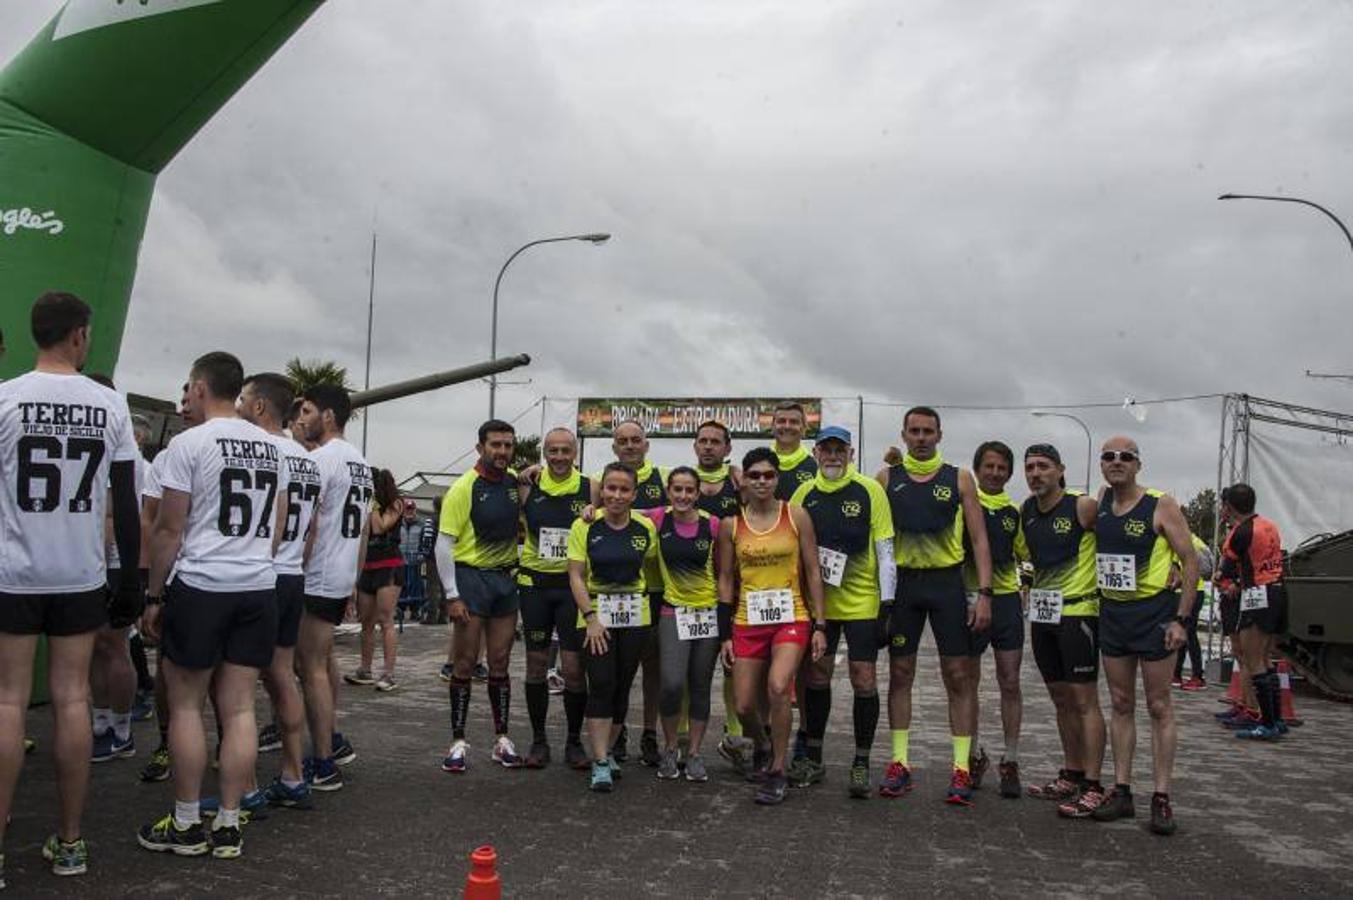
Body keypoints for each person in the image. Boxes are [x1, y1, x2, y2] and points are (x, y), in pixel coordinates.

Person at [0, 293, 142, 884]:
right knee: (71, 700)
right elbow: (127, 502)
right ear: (80, 336)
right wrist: (132, 579)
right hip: (80, 575)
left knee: (8, 701)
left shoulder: (4, 398)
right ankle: (71, 840)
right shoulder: (108, 404)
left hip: (12, 572)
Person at [135, 351, 279, 860]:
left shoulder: (188, 443)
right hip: (258, 583)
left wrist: (153, 595)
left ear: (200, 387)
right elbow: (279, 527)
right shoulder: (273, 446)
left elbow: (168, 528)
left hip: (202, 583)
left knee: (186, 705)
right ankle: (229, 821)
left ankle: (187, 820)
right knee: (239, 707)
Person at [874, 406, 992, 805]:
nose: (921, 437)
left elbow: (979, 540)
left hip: (947, 584)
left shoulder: (958, 478)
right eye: (914, 431)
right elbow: (878, 543)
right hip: (904, 586)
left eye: (928, 431)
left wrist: (985, 595)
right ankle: (899, 762)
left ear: (939, 435)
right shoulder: (887, 479)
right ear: (904, 435)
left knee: (958, 676)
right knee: (900, 673)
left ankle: (960, 768)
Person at [1090, 437, 1198, 836]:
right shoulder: (1101, 500)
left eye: (1126, 457)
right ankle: (1121, 790)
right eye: (1109, 456)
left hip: (1153, 612)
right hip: (1113, 612)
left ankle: (1162, 796)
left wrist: (1181, 620)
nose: (1116, 462)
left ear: (1138, 464)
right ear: (1102, 465)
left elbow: (1190, 560)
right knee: (1120, 702)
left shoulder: (1160, 504)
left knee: (1158, 704)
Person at [787, 426, 893, 797]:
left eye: (839, 450)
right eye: (826, 450)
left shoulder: (870, 490)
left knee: (863, 678)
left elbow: (885, 551)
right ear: (815, 453)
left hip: (862, 601)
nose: (832, 456)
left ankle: (861, 762)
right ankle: (813, 758)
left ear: (850, 453)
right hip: (821, 605)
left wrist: (887, 606)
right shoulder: (803, 493)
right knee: (817, 677)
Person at [719, 447, 827, 805]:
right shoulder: (731, 525)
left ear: (777, 479)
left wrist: (820, 624)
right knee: (746, 705)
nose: (762, 481)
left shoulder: (795, 515)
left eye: (768, 475)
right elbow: (725, 581)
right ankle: (764, 746)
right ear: (744, 480)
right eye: (755, 475)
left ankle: (778, 770)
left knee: (779, 687)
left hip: (791, 616)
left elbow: (813, 570)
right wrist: (724, 634)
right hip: (748, 620)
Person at [237, 372, 318, 809]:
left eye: (243, 399)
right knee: (283, 676)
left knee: (239, 685)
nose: (238, 406)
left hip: (261, 573)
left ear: (261, 406)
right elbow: (313, 527)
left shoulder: (263, 451)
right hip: (292, 574)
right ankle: (293, 773)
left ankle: (246, 783)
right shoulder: (306, 456)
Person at [1018, 444, 1107, 817]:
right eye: (1030, 467)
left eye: (1043, 466)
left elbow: (1120, 535)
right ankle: (1071, 773)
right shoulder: (1027, 509)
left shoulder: (1081, 505)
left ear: (1060, 470)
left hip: (1079, 613)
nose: (1036, 473)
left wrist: (1173, 566)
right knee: (1060, 699)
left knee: (1084, 700)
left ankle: (1094, 784)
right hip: (1043, 615)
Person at [294, 384, 372, 792]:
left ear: (327, 416)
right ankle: (332, 737)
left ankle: (322, 759)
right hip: (340, 574)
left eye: (307, 411)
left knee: (310, 668)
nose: (301, 419)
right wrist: (354, 582)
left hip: (317, 574)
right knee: (323, 662)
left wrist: (294, 568)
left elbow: (310, 524)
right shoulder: (361, 462)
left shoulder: (320, 460)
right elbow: (361, 534)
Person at [436, 419, 524, 772]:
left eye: (507, 445)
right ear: (480, 448)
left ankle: (502, 740)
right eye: (495, 445)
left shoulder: (515, 481)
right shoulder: (463, 488)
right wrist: (452, 594)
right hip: (471, 580)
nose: (502, 452)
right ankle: (457, 742)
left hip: (505, 581)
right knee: (465, 663)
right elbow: (444, 543)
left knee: (500, 661)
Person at [569, 462, 660, 792]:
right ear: (602, 490)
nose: (617, 495)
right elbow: (576, 575)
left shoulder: (645, 528)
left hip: (636, 615)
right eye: (611, 488)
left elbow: (650, 569)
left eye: (624, 489)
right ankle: (600, 760)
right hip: (596, 614)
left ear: (634, 494)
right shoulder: (585, 525)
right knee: (602, 683)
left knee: (623, 686)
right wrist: (591, 617)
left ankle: (605, 752)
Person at [517, 427, 591, 769]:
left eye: (565, 451)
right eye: (552, 451)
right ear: (544, 454)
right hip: (534, 585)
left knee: (574, 670)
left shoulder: (591, 487)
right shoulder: (528, 485)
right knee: (535, 664)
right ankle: (538, 740)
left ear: (574, 453)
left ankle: (574, 742)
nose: (559, 457)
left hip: (572, 588)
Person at [647, 467, 723, 783]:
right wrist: (589, 509)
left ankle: (693, 753)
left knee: (700, 685)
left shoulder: (713, 524)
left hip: (707, 614)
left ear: (697, 492)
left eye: (689, 490)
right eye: (677, 489)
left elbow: (724, 570)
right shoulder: (657, 518)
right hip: (672, 612)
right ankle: (669, 747)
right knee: (672, 684)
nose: (682, 496)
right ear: (668, 491)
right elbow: (616, 507)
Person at [88, 375, 149, 766]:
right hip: (105, 563)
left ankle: (120, 729)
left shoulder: (119, 449)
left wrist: (123, 571)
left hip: (111, 564)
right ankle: (102, 723)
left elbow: (113, 515)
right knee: (99, 649)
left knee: (112, 646)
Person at [962, 441, 1026, 798]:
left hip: (1005, 603)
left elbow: (1028, 555)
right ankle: (972, 755)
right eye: (988, 466)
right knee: (967, 682)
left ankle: (1010, 758)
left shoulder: (1014, 512)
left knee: (1010, 681)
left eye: (1002, 468)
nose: (995, 473)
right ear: (977, 468)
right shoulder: (962, 504)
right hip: (968, 600)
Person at [1218, 483, 1287, 741]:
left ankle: (1266, 723)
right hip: (1278, 590)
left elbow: (1226, 572)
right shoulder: (1269, 525)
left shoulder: (1238, 533)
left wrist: (1224, 582)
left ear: (1230, 507)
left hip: (1257, 594)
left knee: (1253, 658)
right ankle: (1276, 719)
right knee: (1267, 659)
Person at [347, 468, 404, 692]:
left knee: (385, 619)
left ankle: (389, 673)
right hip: (368, 566)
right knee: (366, 621)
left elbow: (380, 527)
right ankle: (365, 668)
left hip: (388, 566)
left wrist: (371, 504)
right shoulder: (366, 507)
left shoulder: (396, 504)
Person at [1172, 534, 1210, 691]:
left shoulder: (1181, 539)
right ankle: (1176, 674)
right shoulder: (1195, 539)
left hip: (1191, 591)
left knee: (1189, 633)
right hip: (1192, 590)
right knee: (1184, 631)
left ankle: (1197, 676)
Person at [771, 401, 817, 501]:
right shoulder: (758, 464)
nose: (787, 426)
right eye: (781, 421)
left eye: (794, 422)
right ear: (772, 426)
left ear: (804, 428)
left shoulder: (815, 468)